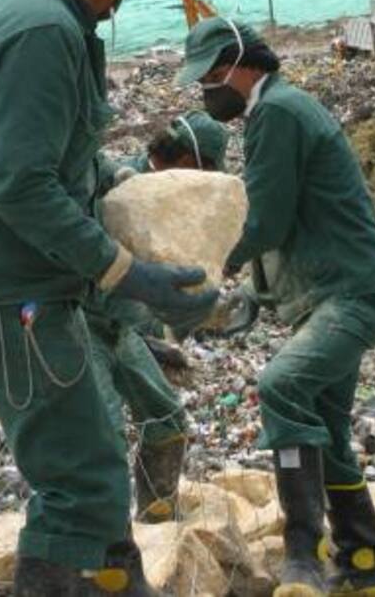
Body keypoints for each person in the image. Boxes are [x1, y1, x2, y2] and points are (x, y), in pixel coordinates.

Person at [0, 0, 219, 596]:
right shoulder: (42, 30)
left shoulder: (36, 11)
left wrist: (120, 186)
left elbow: (63, 157)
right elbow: (21, 186)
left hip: (26, 284)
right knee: (76, 477)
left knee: (87, 457)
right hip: (17, 291)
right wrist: (128, 273)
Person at [177, 18, 375, 597]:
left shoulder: (277, 112)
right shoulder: (279, 109)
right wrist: (256, 290)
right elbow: (286, 215)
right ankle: (364, 558)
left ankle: (304, 554)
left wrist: (207, 261)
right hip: (331, 291)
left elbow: (265, 219)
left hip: (349, 294)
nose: (207, 92)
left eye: (210, 78)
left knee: (281, 386)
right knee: (327, 426)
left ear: (240, 65)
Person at [90, 112, 230, 525]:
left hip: (121, 328)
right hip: (84, 324)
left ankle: (156, 520)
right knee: (103, 432)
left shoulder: (162, 191)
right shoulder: (126, 190)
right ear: (188, 162)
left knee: (166, 418)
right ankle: (106, 547)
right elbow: (108, 269)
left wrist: (158, 335)